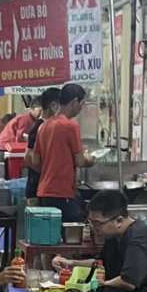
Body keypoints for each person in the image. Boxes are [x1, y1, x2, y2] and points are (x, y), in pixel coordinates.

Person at [35, 83, 94, 222]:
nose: (81, 108)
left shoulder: (43, 126)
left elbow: (36, 160)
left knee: (49, 235)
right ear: (74, 102)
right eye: (82, 103)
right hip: (62, 192)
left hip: (44, 191)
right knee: (68, 236)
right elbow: (80, 160)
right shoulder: (70, 126)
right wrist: (91, 159)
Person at [24, 87, 61, 203]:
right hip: (36, 187)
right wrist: (47, 173)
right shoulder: (39, 126)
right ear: (54, 106)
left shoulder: (50, 126)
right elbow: (28, 157)